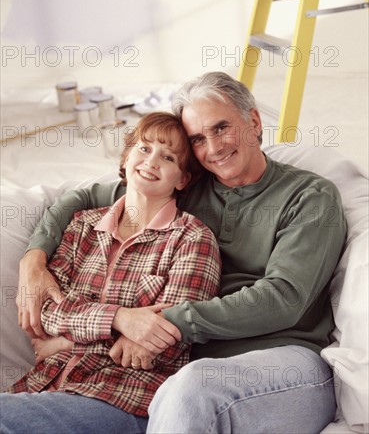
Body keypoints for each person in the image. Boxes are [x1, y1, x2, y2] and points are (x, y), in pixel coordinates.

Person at [16, 72, 346, 433]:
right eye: (199, 139)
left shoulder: (309, 196)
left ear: (253, 121)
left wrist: (163, 323)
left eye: (222, 128)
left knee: (191, 390)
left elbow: (283, 299)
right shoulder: (188, 186)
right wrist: (33, 258)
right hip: (188, 367)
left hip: (285, 362)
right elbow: (78, 198)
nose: (214, 148)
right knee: (184, 387)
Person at [1, 112, 221, 434]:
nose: (152, 161)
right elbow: (47, 313)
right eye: (144, 148)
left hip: (121, 398)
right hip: (43, 386)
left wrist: (65, 342)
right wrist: (121, 319)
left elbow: (163, 341)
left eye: (168, 156)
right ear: (127, 156)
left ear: (183, 178)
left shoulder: (193, 239)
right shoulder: (81, 226)